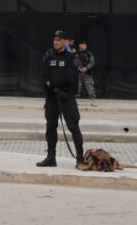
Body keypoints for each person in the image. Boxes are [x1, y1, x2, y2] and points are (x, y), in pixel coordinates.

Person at [37, 30, 84, 167]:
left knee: (74, 127)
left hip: (67, 97)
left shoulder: (72, 58)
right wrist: (55, 89)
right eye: (54, 40)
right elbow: (44, 79)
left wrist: (52, 84)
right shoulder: (48, 58)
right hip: (52, 98)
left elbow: (70, 78)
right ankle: (51, 158)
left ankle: (80, 159)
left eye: (59, 40)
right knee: (50, 127)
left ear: (65, 41)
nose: (56, 42)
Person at [75, 40, 97, 107]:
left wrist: (86, 68)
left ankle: (93, 101)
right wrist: (77, 67)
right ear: (80, 46)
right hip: (77, 74)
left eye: (86, 45)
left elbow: (92, 62)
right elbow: (72, 62)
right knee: (76, 88)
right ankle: (75, 101)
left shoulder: (89, 54)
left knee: (90, 87)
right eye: (83, 45)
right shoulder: (76, 53)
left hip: (87, 73)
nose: (85, 46)